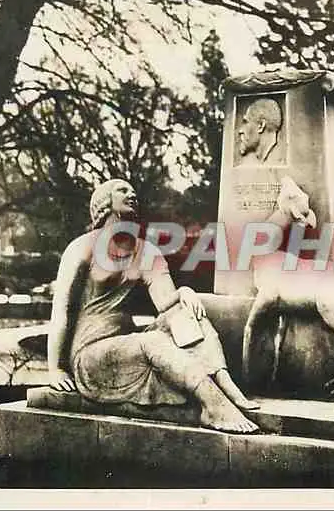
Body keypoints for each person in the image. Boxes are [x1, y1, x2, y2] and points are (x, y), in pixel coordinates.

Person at [47, 179, 260, 434]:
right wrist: (55, 368)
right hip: (92, 356)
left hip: (127, 345)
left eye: (133, 190)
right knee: (153, 341)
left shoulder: (145, 250)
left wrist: (184, 293)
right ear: (104, 202)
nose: (132, 194)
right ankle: (212, 404)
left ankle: (223, 381)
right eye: (122, 190)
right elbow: (61, 310)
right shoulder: (82, 247)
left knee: (186, 310)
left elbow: (166, 304)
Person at [235, 97, 286, 166]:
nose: (240, 131)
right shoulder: (247, 164)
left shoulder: (280, 162)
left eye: (245, 122)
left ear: (261, 125)